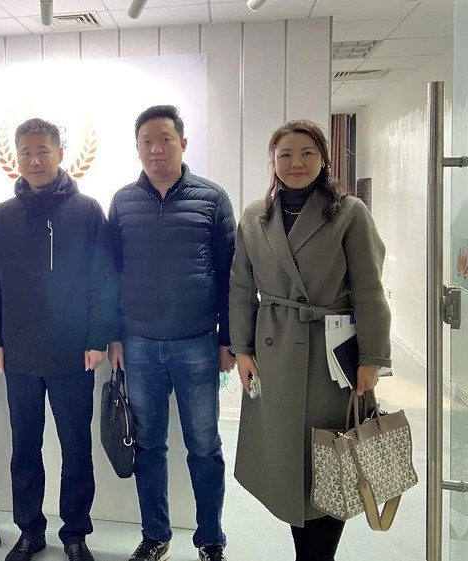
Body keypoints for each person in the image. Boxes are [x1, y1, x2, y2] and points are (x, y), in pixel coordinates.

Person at [228, 119, 391, 561]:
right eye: (285, 154)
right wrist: (242, 350)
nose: (296, 163)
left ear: (324, 159)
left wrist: (372, 357)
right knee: (287, 459)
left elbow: (369, 289)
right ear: (273, 161)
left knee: (332, 457)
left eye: (307, 153)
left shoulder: (349, 213)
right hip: (274, 353)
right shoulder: (254, 217)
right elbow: (241, 288)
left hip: (332, 358)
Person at [0, 118, 117, 561]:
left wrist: (97, 338)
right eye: (26, 152)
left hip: (73, 351)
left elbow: (103, 277)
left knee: (76, 447)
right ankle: (29, 530)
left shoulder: (87, 210)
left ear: (60, 153)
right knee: (25, 448)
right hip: (18, 352)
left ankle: (75, 533)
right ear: (15, 158)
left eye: (43, 151)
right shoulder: (2, 215)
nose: (34, 160)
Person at [107, 105, 235, 561]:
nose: (156, 149)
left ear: (183, 142)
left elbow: (231, 275)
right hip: (138, 344)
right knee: (148, 446)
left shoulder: (212, 198)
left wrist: (227, 339)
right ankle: (155, 536)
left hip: (197, 342)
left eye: (165, 139)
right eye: (147, 141)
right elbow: (110, 272)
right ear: (137, 147)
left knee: (204, 446)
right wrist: (113, 335)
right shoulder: (122, 201)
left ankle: (211, 540)